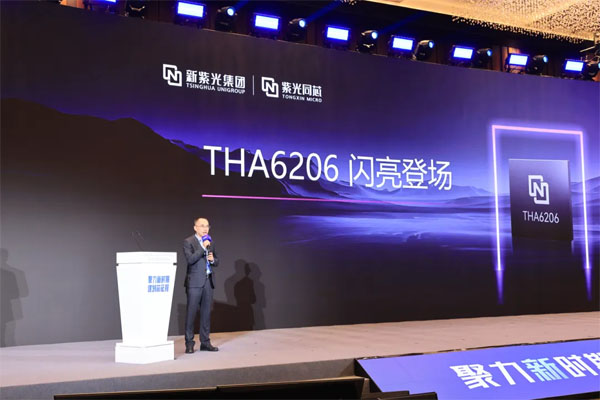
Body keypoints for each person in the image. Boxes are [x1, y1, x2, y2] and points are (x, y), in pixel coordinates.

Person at [183, 217, 219, 353]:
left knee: (206, 314)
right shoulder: (188, 242)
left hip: (208, 281)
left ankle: (205, 342)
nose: (205, 228)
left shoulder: (211, 242)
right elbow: (190, 259)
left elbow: (217, 260)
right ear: (195, 228)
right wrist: (202, 248)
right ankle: (189, 343)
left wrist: (213, 260)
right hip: (194, 282)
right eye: (202, 225)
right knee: (191, 313)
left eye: (207, 226)